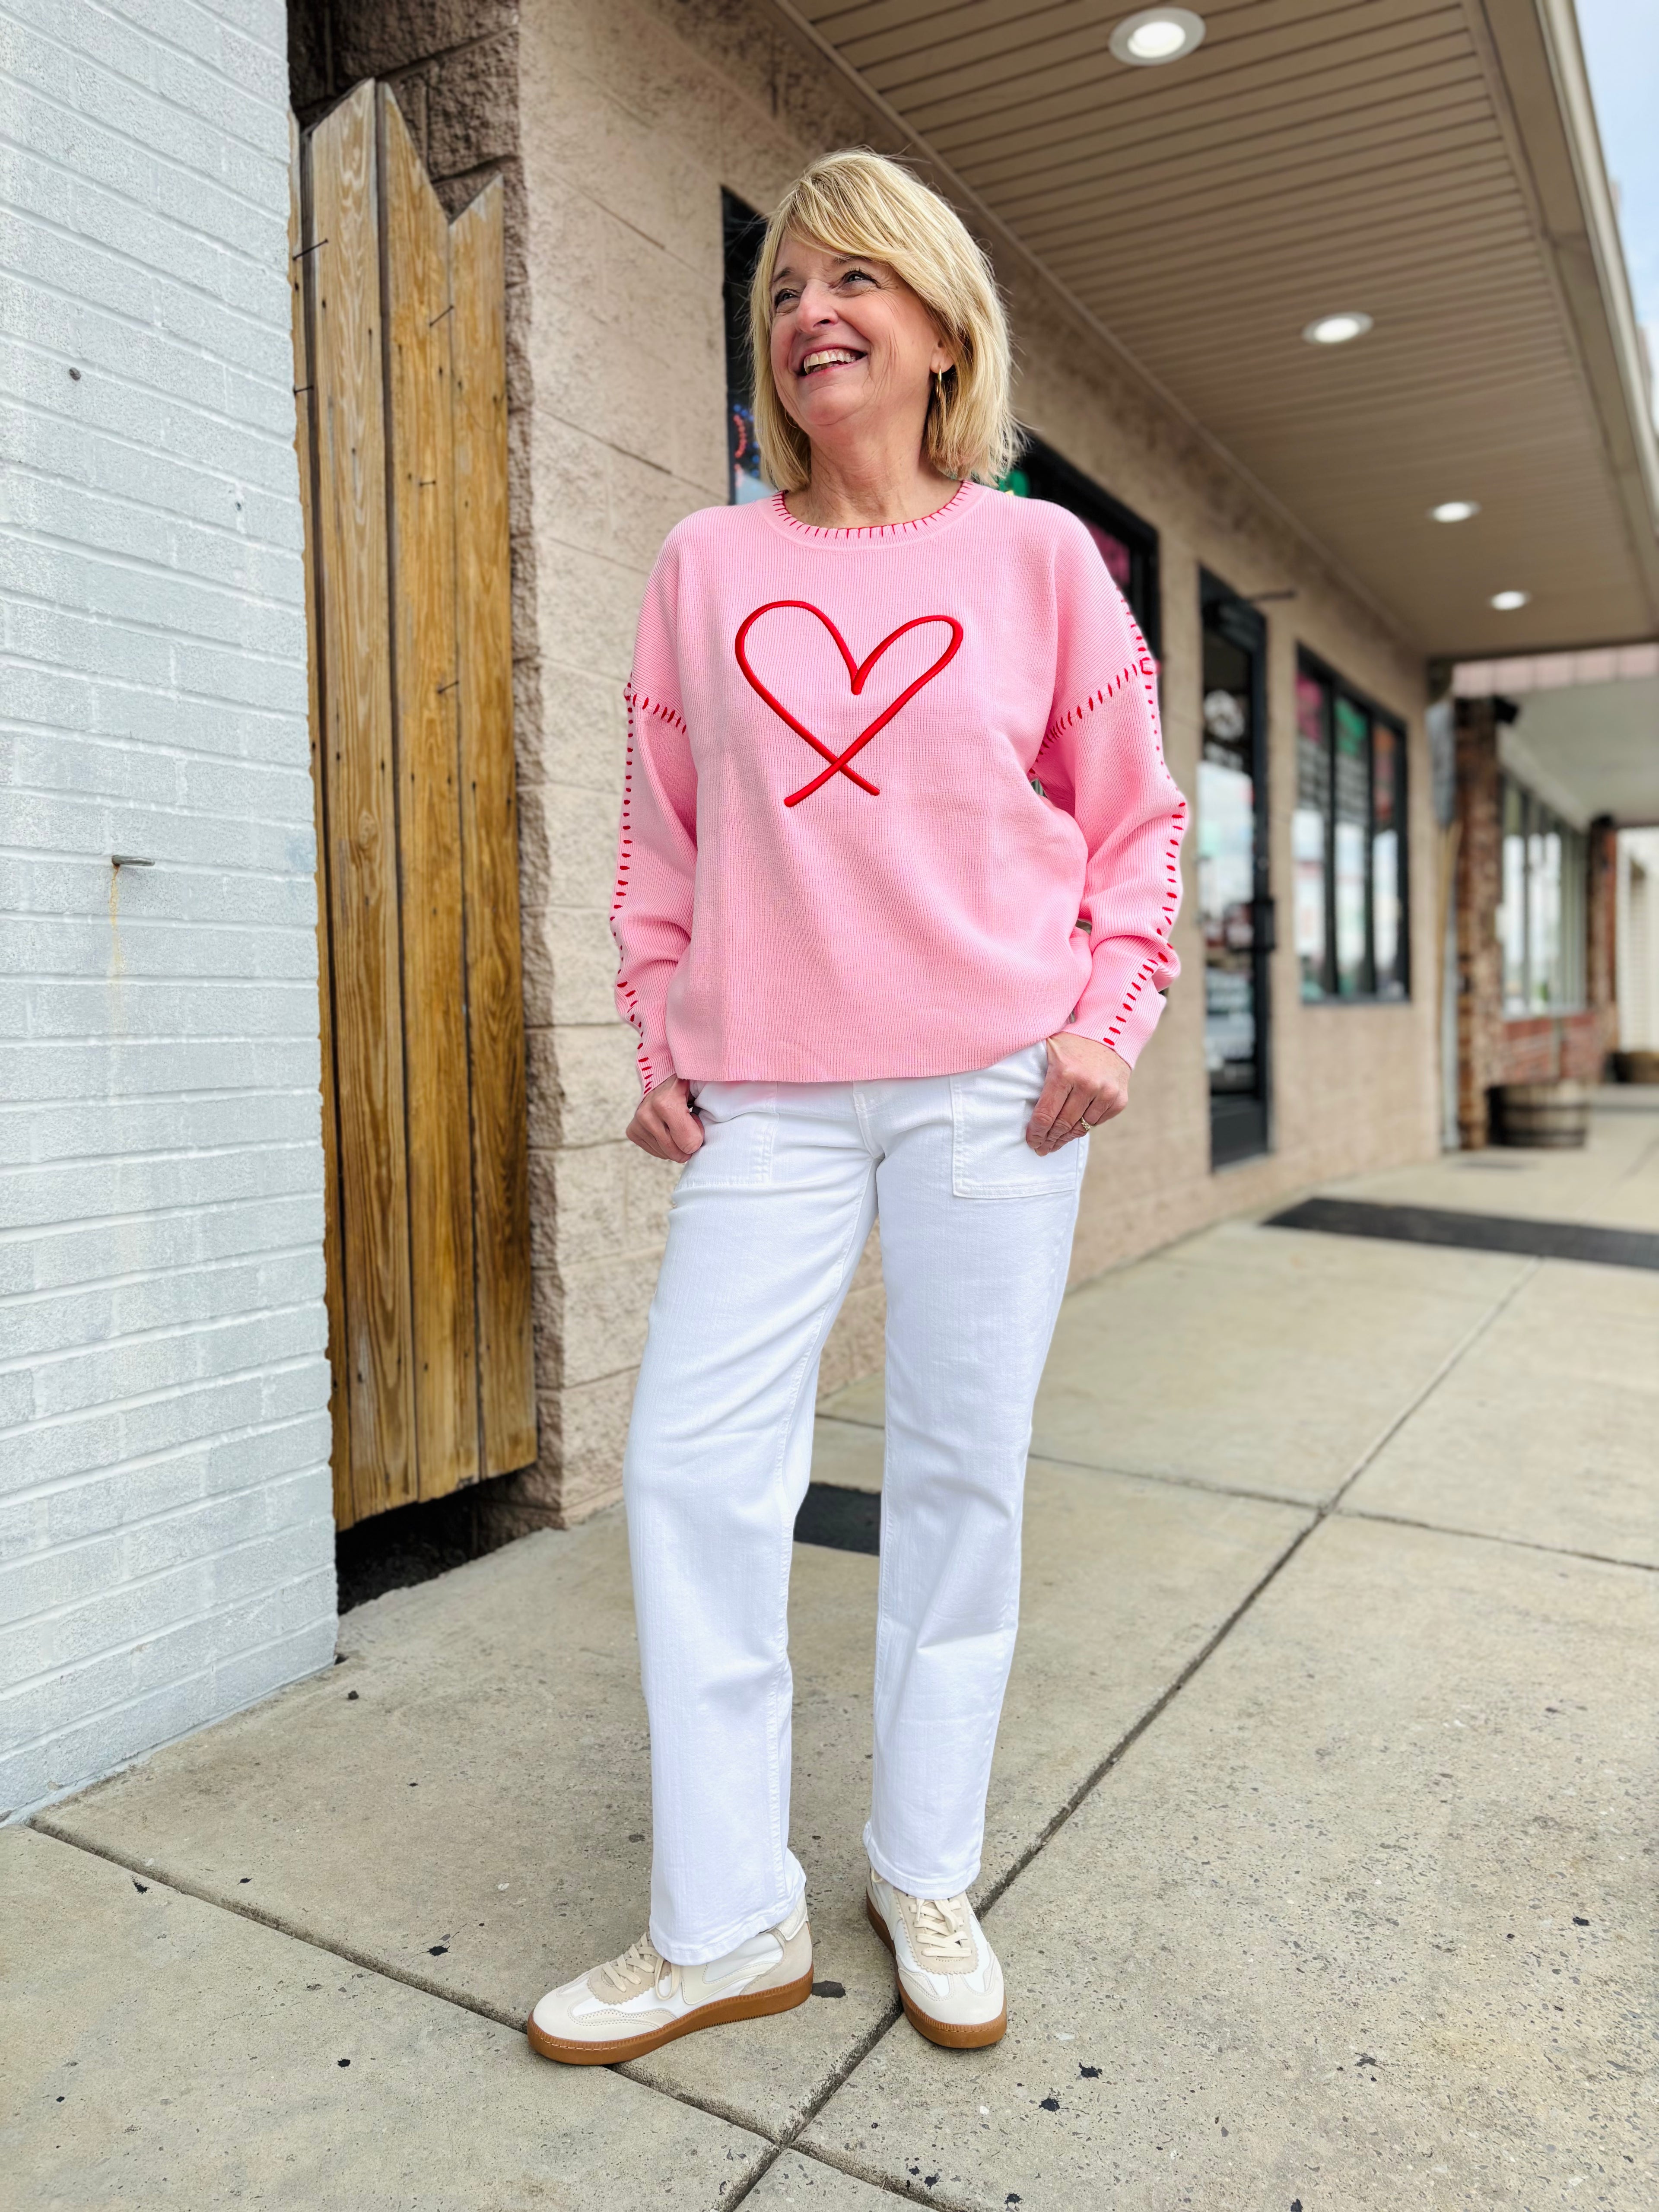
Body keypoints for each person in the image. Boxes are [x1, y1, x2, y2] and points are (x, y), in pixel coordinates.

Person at [528, 149, 1185, 2066]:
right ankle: (725, 1916)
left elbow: (1139, 829)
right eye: (788, 285)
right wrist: (654, 1030)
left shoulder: (1045, 560)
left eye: (856, 279)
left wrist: (1110, 1015)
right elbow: (665, 831)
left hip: (1001, 1078)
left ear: (938, 325)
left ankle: (923, 1862)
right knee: (690, 1468)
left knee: (962, 1476)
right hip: (773, 1098)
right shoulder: (707, 566)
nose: (814, 307)